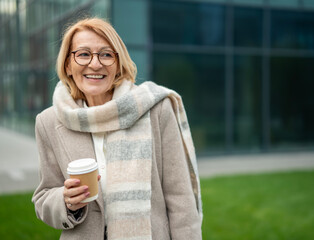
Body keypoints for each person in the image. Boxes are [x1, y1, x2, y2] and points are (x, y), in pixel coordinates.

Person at [32, 17, 202, 240]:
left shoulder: (155, 108)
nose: (95, 64)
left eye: (106, 54)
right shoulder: (49, 121)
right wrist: (66, 201)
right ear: (68, 65)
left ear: (118, 64)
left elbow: (181, 198)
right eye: (83, 54)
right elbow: (44, 196)